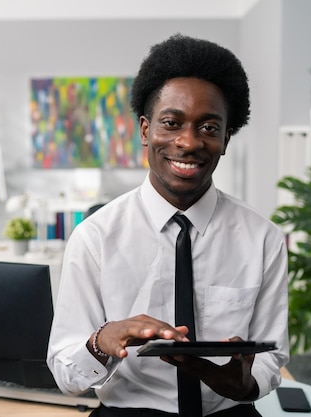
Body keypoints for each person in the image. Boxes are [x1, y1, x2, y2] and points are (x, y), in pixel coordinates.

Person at [47, 34, 289, 417]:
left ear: (227, 138)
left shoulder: (264, 239)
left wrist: (246, 384)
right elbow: (66, 373)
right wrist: (100, 341)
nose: (188, 142)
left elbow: (271, 356)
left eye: (209, 128)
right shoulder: (94, 237)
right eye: (171, 123)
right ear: (145, 131)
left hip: (228, 411)